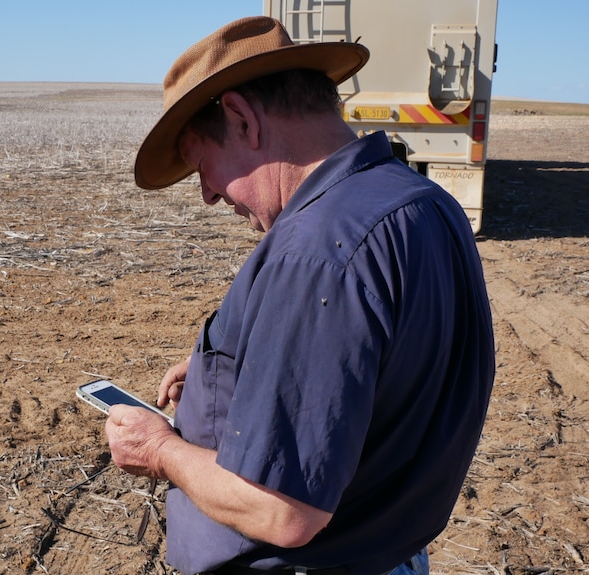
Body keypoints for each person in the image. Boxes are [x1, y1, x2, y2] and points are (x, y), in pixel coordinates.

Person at [105, 16, 495, 575]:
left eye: (201, 166)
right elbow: (374, 368)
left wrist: (159, 450)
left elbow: (281, 509)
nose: (208, 195)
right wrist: (240, 368)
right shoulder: (426, 206)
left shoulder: (317, 252)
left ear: (242, 120)